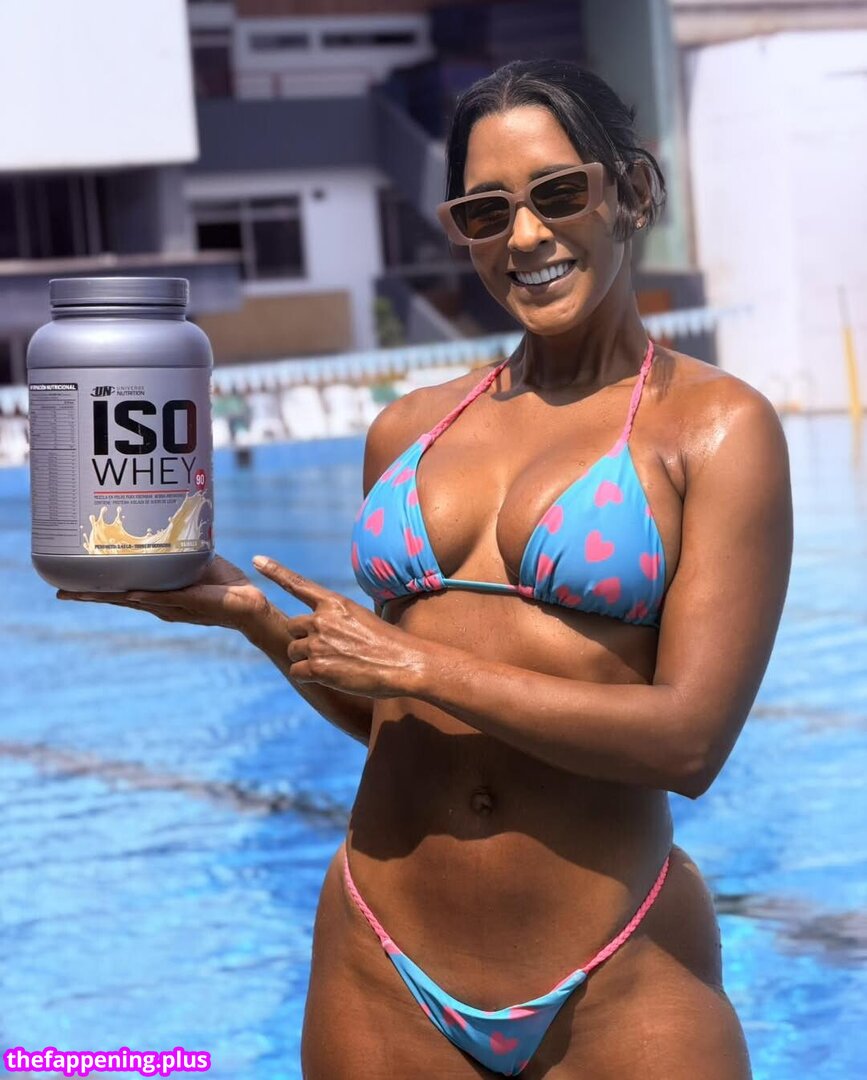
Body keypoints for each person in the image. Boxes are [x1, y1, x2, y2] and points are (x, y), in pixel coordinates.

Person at [59, 60, 793, 1079]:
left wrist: (420, 667)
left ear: (631, 192)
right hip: (380, 957)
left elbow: (689, 741)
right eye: (485, 212)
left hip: (616, 966)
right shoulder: (409, 431)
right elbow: (395, 716)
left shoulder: (713, 428)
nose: (524, 237)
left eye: (558, 193)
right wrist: (257, 619)